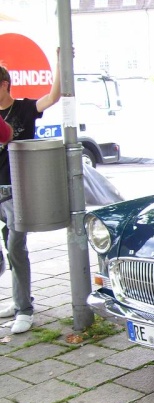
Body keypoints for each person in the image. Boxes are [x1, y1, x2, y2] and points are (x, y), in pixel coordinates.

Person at [0, 58, 61, 334]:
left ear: (4, 85)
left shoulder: (24, 108)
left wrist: (61, 62)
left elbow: (52, 97)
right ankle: (18, 301)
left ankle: (24, 308)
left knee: (15, 247)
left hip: (16, 191)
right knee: (9, 251)